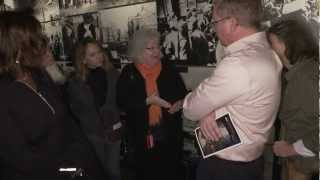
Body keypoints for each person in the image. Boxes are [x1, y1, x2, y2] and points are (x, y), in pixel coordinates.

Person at [182, 0, 283, 179]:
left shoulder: (237, 64)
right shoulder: (268, 52)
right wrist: (208, 109)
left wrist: (204, 109)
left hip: (225, 166)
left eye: (215, 22)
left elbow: (190, 108)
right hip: (251, 160)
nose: (214, 28)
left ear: (231, 22)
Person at [0, 11, 106, 180]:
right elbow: (22, 159)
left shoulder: (40, 77)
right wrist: (68, 170)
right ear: (19, 49)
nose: (45, 42)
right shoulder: (5, 96)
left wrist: (78, 159)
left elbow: (68, 122)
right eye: (38, 38)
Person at [116, 28, 187, 180]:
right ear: (138, 51)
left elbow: (183, 93)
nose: (157, 51)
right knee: (147, 172)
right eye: (150, 48)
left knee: (171, 171)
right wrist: (148, 101)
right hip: (142, 136)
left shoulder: (168, 68)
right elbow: (122, 102)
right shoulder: (129, 73)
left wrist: (180, 103)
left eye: (158, 46)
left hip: (169, 133)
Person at [267, 19, 319, 180]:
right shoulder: (298, 71)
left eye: (272, 43)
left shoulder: (305, 77)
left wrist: (291, 149)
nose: (271, 48)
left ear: (284, 44)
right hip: (295, 160)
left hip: (303, 163)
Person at [67, 38, 122, 180]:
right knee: (98, 173)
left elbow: (121, 101)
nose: (99, 56)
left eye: (99, 52)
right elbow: (74, 110)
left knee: (114, 172)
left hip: (114, 130)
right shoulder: (75, 82)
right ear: (83, 60)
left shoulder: (113, 74)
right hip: (92, 135)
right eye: (92, 54)